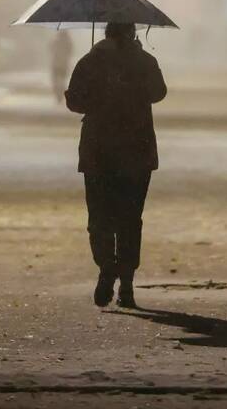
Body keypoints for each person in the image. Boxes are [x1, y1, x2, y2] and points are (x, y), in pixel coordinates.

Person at [65, 22, 167, 309]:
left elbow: (75, 101)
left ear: (106, 33)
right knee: (130, 218)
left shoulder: (90, 61)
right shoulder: (145, 61)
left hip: (99, 153)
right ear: (133, 33)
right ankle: (127, 285)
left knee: (99, 217)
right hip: (137, 151)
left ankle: (106, 267)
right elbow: (158, 92)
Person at [50, 30, 73, 103]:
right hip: (64, 64)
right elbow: (71, 51)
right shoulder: (68, 42)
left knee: (56, 80)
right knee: (62, 80)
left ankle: (58, 94)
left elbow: (50, 50)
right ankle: (60, 95)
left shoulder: (55, 41)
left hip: (56, 64)